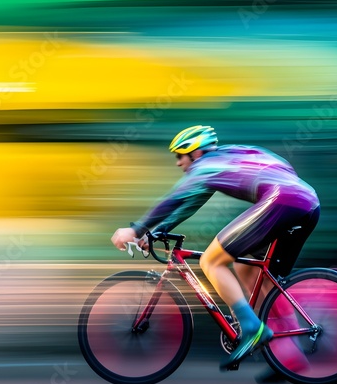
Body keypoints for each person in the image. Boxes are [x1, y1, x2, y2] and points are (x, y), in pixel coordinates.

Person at [111, 125, 320, 370]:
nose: (178, 163)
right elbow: (191, 203)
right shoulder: (229, 156)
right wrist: (159, 230)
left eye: (180, 155)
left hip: (280, 201)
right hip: (308, 203)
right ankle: (291, 358)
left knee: (210, 260)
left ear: (195, 153)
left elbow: (174, 199)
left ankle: (251, 328)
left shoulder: (205, 166)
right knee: (249, 270)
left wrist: (136, 229)